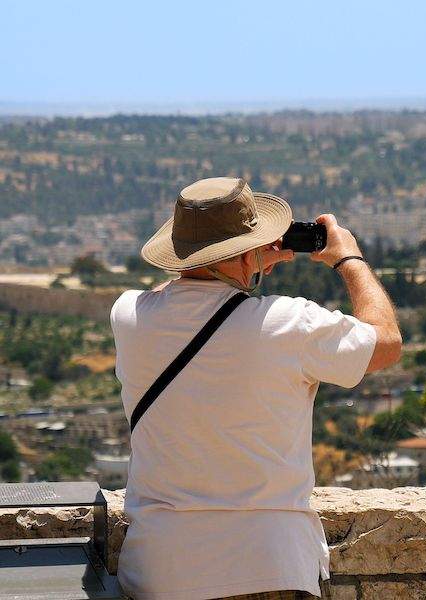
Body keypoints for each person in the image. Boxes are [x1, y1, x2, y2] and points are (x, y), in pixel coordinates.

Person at [111, 177, 401, 600]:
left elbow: (175, 295)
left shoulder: (128, 316)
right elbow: (386, 343)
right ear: (250, 249)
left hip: (161, 572)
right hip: (270, 567)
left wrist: (237, 259)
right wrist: (349, 259)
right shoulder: (290, 324)